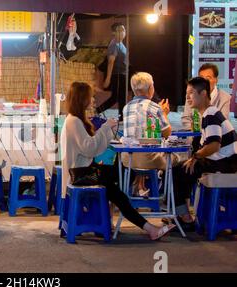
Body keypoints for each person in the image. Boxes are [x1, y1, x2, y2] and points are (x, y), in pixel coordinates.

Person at [61, 81, 175, 240]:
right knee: (121, 182)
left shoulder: (74, 119)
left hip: (84, 170)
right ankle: (145, 227)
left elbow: (90, 147)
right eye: (90, 97)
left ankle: (106, 218)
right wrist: (106, 128)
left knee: (122, 174)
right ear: (82, 99)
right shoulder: (74, 121)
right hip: (81, 174)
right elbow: (90, 147)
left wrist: (106, 131)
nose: (93, 100)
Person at [172, 77, 237, 230]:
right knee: (183, 169)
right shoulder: (209, 113)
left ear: (203, 93)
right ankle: (185, 216)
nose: (187, 97)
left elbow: (214, 145)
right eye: (186, 93)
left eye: (191, 93)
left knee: (178, 171)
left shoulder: (210, 114)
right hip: (224, 161)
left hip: (226, 164)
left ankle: (185, 219)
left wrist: (196, 157)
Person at [121, 72, 177, 195]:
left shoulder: (126, 108)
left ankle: (139, 186)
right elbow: (167, 133)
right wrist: (165, 114)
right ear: (151, 88)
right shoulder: (155, 108)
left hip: (128, 160)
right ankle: (170, 203)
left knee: (144, 148)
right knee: (179, 159)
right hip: (149, 159)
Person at [181, 63, 231, 129]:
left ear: (216, 80)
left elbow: (223, 123)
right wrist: (195, 131)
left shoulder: (225, 98)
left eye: (208, 78)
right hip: (194, 136)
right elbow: (186, 119)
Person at [96, 22, 128, 120]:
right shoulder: (114, 44)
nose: (122, 32)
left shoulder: (121, 44)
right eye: (119, 31)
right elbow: (111, 62)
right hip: (117, 75)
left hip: (122, 74)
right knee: (117, 97)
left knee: (119, 97)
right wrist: (108, 79)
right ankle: (98, 110)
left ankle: (122, 116)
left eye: (123, 30)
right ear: (113, 33)